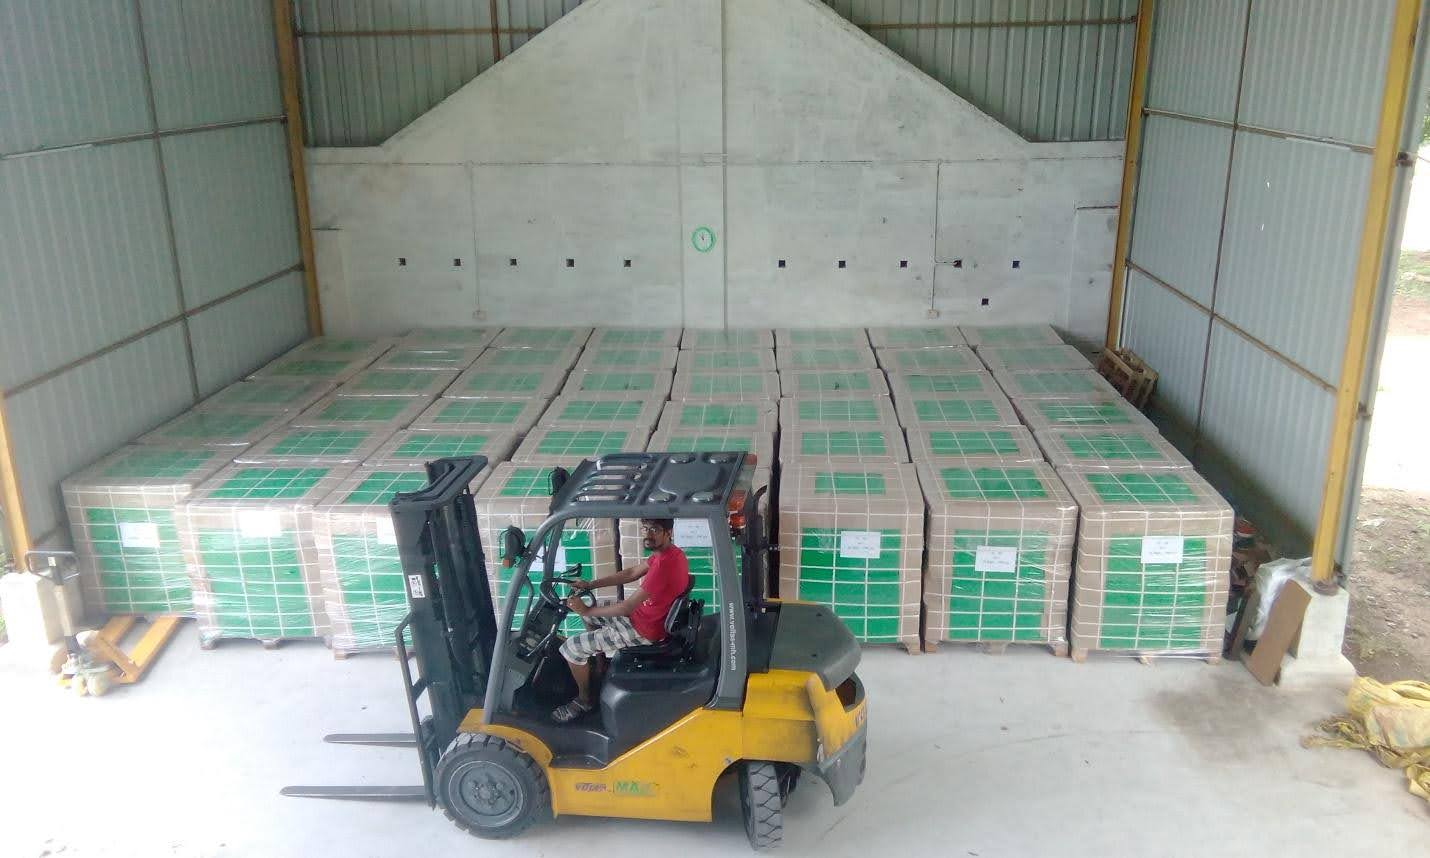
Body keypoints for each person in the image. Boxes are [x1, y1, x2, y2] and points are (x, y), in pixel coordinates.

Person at [551, 517, 691, 724]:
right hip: (644, 617)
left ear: (668, 532)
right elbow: (631, 573)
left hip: (644, 630)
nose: (648, 534)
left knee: (572, 649)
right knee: (591, 613)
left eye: (654, 529)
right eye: (645, 529)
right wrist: (591, 585)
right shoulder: (670, 553)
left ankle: (584, 700)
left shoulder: (664, 565)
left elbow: (627, 607)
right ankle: (599, 666)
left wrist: (588, 610)